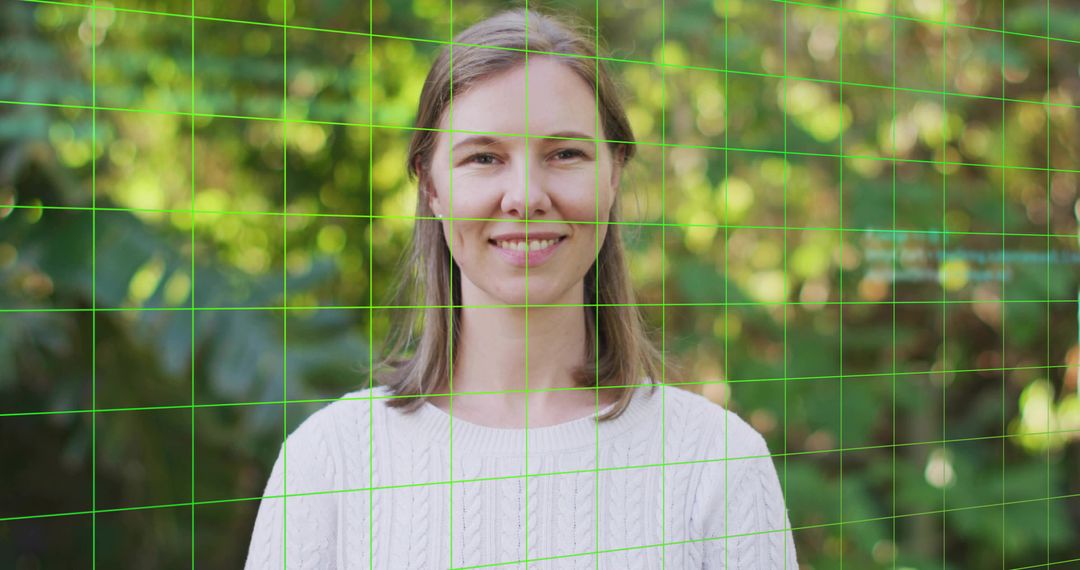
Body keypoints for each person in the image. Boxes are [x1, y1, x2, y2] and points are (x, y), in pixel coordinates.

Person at [244, 8, 798, 569]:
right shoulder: (327, 465)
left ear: (613, 174)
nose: (526, 196)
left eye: (565, 154)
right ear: (432, 187)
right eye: (484, 158)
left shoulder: (717, 463)